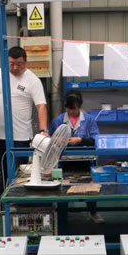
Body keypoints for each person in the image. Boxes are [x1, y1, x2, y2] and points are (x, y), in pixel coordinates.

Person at [0, 46, 48, 218]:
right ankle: (0, 204)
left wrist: (43, 130)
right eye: (11, 64)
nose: (15, 68)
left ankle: (19, 205)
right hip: (0, 135)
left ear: (25, 62)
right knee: (2, 170)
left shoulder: (32, 80)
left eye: (19, 64)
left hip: (21, 136)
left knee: (19, 172)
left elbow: (41, 106)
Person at [48, 90, 104, 223]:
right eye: (68, 108)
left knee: (89, 188)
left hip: (85, 162)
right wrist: (56, 140)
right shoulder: (58, 121)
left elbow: (96, 140)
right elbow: (48, 140)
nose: (70, 111)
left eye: (73, 108)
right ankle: (62, 215)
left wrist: (80, 140)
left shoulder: (89, 120)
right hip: (63, 163)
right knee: (62, 190)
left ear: (80, 105)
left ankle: (93, 212)